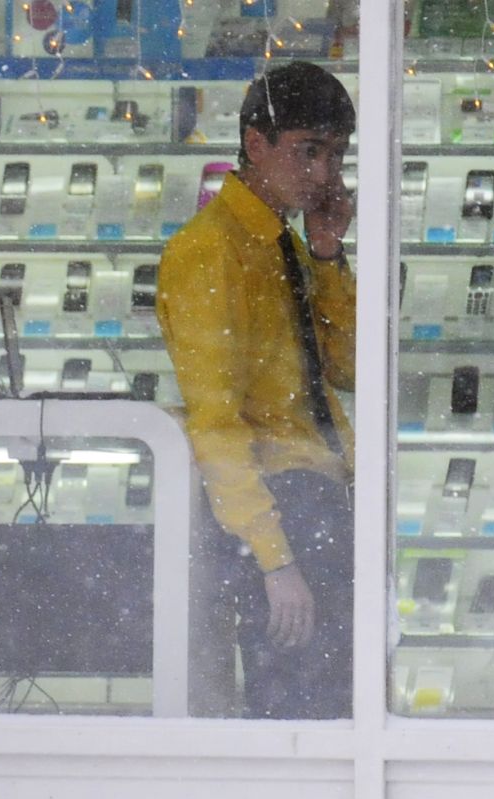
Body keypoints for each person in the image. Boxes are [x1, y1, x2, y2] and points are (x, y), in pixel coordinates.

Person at [157, 61, 357, 719]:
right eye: (308, 152)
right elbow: (214, 422)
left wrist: (327, 253)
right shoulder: (211, 251)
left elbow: (350, 369)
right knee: (299, 717)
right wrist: (273, 560)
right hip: (277, 509)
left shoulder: (283, 243)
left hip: (317, 499)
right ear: (255, 144)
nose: (324, 175)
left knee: (332, 712)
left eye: (334, 155)